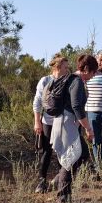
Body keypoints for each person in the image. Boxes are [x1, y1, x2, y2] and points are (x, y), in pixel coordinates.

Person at [50, 54, 98, 203]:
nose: (94, 75)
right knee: (69, 160)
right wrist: (88, 128)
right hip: (67, 123)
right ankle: (62, 201)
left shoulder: (74, 80)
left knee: (82, 154)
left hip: (67, 123)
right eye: (93, 72)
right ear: (86, 69)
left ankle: (58, 181)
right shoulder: (76, 81)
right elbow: (77, 107)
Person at [32, 54, 69, 193]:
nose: (67, 69)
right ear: (58, 67)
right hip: (47, 121)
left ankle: (61, 180)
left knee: (62, 152)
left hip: (63, 122)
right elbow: (37, 102)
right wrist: (37, 122)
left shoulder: (67, 81)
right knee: (46, 152)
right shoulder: (45, 80)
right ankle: (42, 182)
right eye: (65, 67)